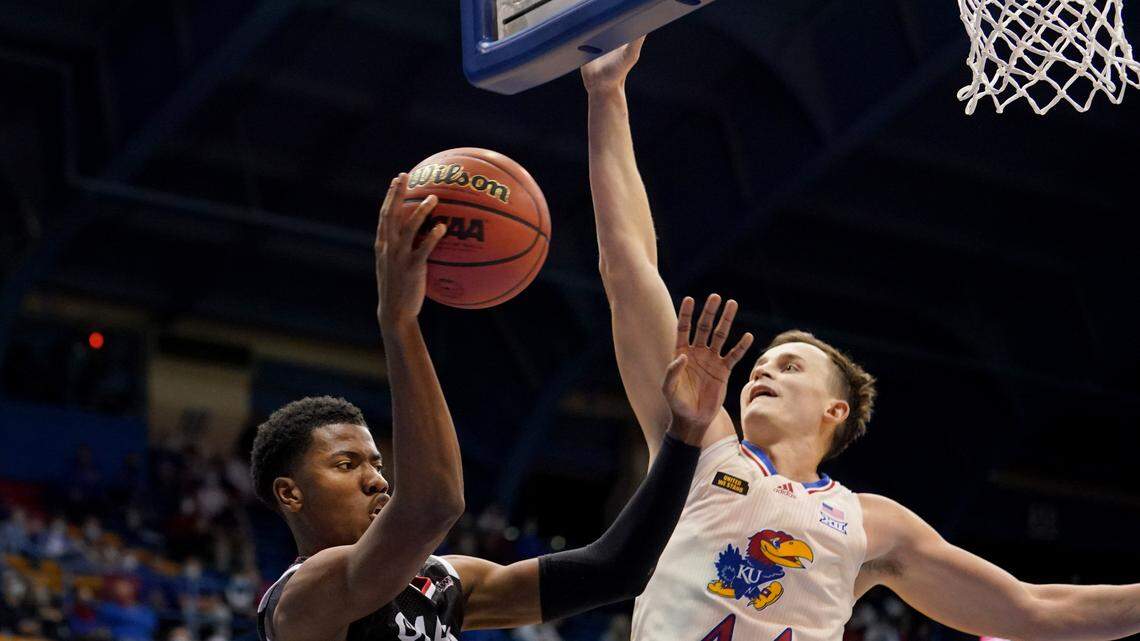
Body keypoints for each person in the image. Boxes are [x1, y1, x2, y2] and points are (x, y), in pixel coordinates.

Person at [581, 36, 1140, 641]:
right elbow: (628, 269)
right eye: (762, 366)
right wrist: (607, 97)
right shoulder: (703, 449)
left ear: (835, 409)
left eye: (790, 366)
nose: (762, 373)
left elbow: (1035, 610)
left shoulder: (873, 525)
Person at [252, 174, 755, 641]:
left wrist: (685, 433)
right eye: (347, 464)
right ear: (290, 494)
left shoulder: (443, 582)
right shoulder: (300, 600)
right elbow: (432, 507)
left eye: (377, 463)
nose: (377, 479)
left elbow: (617, 570)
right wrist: (400, 323)